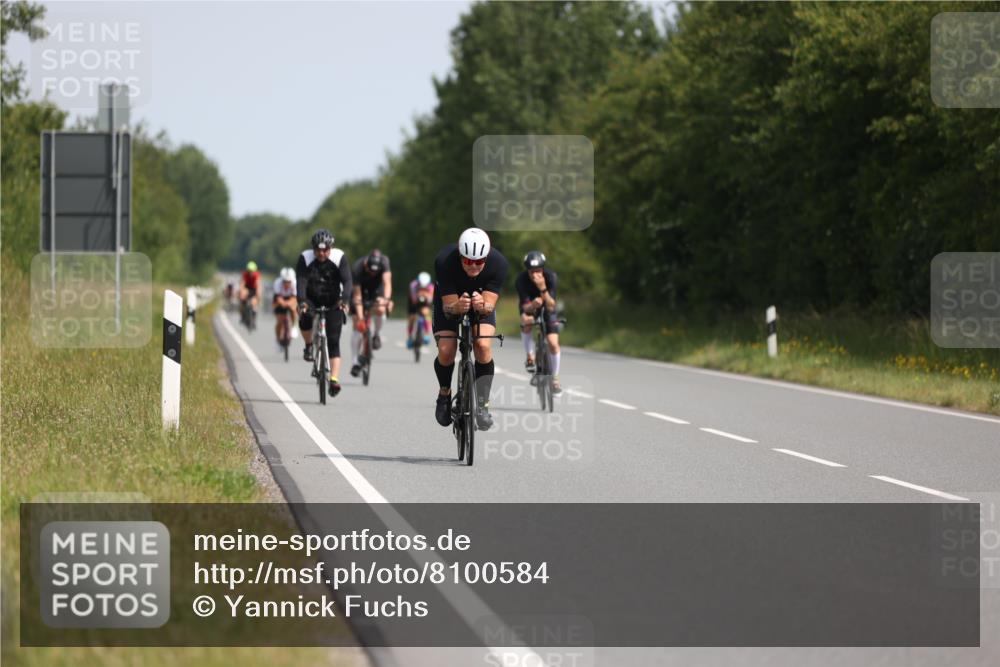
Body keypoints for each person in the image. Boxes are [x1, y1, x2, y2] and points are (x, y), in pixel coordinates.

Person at [432, 227, 508, 429]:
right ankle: (444, 394)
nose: (473, 266)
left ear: (486, 258)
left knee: (482, 345)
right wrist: (457, 307)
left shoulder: (498, 263)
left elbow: (489, 304)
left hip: (480, 301)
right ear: (460, 256)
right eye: (467, 261)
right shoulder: (445, 261)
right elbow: (448, 309)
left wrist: (483, 306)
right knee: (446, 349)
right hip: (450, 301)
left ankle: (483, 405)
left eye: (479, 261)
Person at [295, 229, 355, 397]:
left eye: (325, 250)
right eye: (318, 250)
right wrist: (302, 301)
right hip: (312, 298)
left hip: (333, 299)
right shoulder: (305, 258)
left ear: (331, 248)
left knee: (334, 340)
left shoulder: (339, 257)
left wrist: (345, 300)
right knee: (305, 316)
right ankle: (308, 345)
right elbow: (301, 281)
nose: (321, 253)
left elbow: (347, 281)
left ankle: (334, 379)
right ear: (313, 248)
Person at [517, 250, 562, 394]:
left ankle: (555, 379)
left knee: (553, 343)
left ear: (543, 269)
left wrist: (542, 288)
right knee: (526, 321)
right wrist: (532, 306)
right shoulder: (521, 280)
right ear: (527, 271)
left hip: (547, 308)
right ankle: (530, 356)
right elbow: (525, 307)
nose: (535, 274)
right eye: (532, 271)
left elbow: (551, 305)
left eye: (538, 271)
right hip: (530, 307)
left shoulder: (551, 277)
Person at [349, 249, 393, 377]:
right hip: (360, 290)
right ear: (366, 265)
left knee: (381, 308)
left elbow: (387, 283)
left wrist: (387, 299)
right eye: (370, 271)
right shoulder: (357, 268)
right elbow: (357, 296)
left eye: (375, 271)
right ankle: (355, 361)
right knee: (357, 324)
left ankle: (376, 334)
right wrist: (361, 318)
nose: (373, 273)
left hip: (376, 289)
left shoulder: (384, 262)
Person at [407, 271, 434, 348]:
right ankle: (410, 337)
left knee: (427, 314)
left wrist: (426, 296)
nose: (422, 288)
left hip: (425, 302)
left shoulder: (431, 287)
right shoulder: (413, 285)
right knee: (411, 318)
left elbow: (430, 299)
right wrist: (419, 295)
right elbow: (413, 299)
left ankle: (427, 334)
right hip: (413, 302)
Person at [272, 267, 298, 349]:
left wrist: (289, 303)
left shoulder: (295, 283)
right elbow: (278, 297)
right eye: (285, 281)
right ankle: (277, 339)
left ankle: (294, 326)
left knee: (293, 309)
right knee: (279, 321)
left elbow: (295, 298)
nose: (287, 283)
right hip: (280, 299)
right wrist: (283, 303)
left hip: (291, 299)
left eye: (289, 282)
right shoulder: (277, 283)